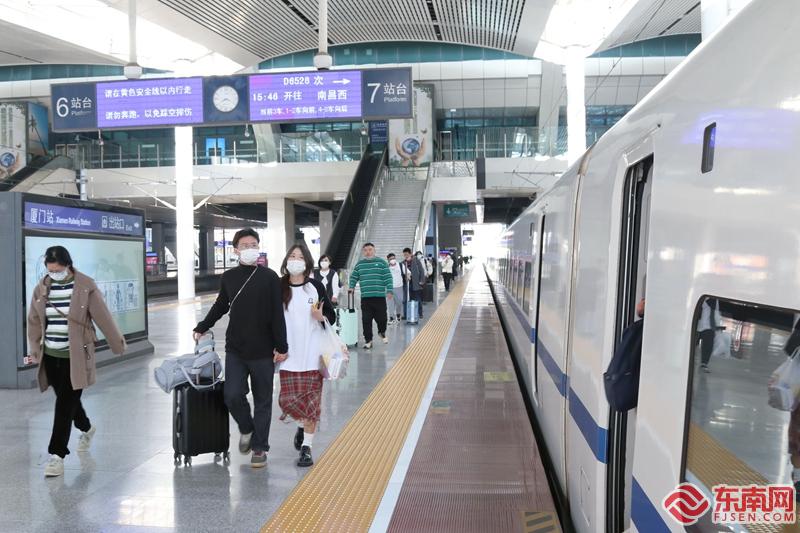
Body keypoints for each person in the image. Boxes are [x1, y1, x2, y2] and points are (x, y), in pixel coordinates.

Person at [26, 246, 126, 478]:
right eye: (50, 271)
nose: (54, 274)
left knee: (63, 405)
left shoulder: (85, 286)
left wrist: (117, 343)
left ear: (68, 265)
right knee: (67, 400)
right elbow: (34, 320)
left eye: (58, 270)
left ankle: (57, 455)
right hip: (51, 356)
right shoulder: (42, 288)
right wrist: (35, 348)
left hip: (76, 357)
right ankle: (87, 428)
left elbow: (103, 316)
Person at [194, 228, 288, 469]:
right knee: (232, 395)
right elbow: (220, 305)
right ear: (235, 250)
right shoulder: (229, 277)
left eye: (253, 244)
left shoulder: (270, 277)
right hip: (236, 348)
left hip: (264, 350)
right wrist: (202, 326)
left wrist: (282, 345)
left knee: (263, 400)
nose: (250, 249)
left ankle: (260, 448)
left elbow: (277, 314)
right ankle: (246, 428)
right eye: (245, 245)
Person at [276, 243, 336, 468]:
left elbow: (331, 316)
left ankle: (307, 448)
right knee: (287, 401)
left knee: (312, 404)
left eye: (300, 257)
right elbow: (270, 319)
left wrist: (321, 317)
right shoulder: (279, 287)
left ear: (307, 262)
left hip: (313, 353)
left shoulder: (316, 287)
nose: (295, 260)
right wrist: (274, 347)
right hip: (288, 355)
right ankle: (301, 426)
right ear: (286, 260)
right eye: (292, 256)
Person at [348, 243, 393, 349]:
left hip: (379, 297)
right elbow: (354, 277)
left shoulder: (381, 263)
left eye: (370, 249)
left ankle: (381, 331)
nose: (368, 252)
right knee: (366, 320)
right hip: (366, 298)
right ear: (363, 252)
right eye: (365, 250)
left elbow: (388, 277)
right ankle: (368, 340)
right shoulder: (359, 265)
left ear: (374, 250)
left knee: (382, 319)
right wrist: (351, 287)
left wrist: (390, 290)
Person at [697, 297, 723, 373]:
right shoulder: (703, 298)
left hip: (707, 326)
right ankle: (702, 363)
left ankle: (704, 364)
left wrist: (716, 326)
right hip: (700, 325)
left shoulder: (714, 299)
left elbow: (716, 312)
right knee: (702, 345)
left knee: (708, 346)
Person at [404, 248, 426, 319]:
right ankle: (409, 314)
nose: (405, 256)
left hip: (416, 283)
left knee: (417, 298)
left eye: (407, 254)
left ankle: (420, 313)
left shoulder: (416, 261)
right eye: (404, 255)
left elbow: (421, 271)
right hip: (408, 284)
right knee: (409, 299)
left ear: (410, 254)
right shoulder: (404, 262)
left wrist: (422, 280)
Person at [386, 253, 404, 323]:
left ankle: (398, 314)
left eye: (393, 258)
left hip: (399, 287)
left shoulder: (400, 265)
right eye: (390, 259)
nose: (392, 260)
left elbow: (408, 272)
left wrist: (408, 276)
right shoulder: (386, 267)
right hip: (389, 288)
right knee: (390, 303)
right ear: (388, 260)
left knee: (399, 302)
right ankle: (391, 317)